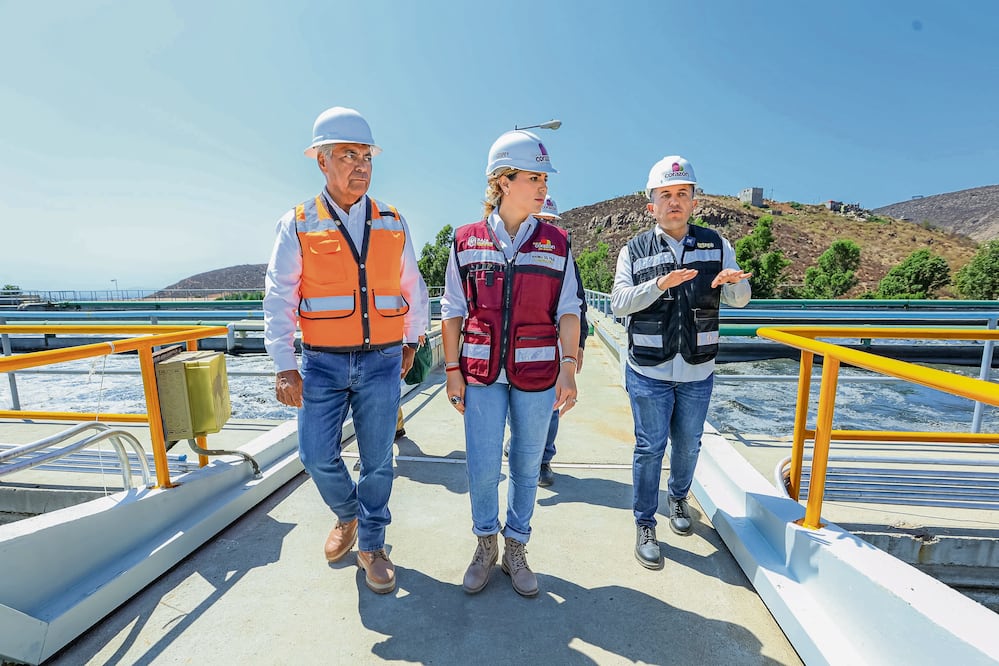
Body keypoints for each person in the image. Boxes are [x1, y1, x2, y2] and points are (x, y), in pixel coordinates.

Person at [264, 106, 429, 594]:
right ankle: (349, 514)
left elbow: (411, 286)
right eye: (347, 155)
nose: (359, 165)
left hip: (381, 360)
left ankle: (372, 544)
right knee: (316, 455)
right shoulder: (297, 223)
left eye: (365, 156)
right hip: (321, 362)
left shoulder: (393, 221)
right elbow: (279, 295)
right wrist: (284, 365)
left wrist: (412, 341)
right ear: (321, 161)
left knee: (378, 459)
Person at [441, 130, 581, 597]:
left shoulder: (557, 244)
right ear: (502, 181)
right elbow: (452, 310)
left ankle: (516, 547)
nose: (543, 186)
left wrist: (568, 368)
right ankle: (485, 544)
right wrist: (452, 370)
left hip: (538, 374)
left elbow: (568, 310)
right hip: (480, 373)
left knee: (525, 464)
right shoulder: (465, 241)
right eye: (533, 177)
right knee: (482, 465)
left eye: (544, 178)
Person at [610, 156, 752, 570]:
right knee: (649, 447)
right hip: (649, 371)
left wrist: (735, 283)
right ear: (650, 203)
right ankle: (644, 522)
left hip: (697, 371)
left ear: (694, 202)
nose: (674, 202)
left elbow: (741, 301)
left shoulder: (716, 244)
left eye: (682, 194)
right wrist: (658, 285)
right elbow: (618, 304)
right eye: (666, 195)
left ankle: (678, 500)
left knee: (688, 445)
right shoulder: (633, 250)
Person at [503, 195, 588, 488]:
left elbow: (577, 305)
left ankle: (543, 460)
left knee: (550, 406)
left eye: (551, 221)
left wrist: (578, 346)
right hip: (516, 345)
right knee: (516, 402)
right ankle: (520, 442)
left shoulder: (562, 253)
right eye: (542, 220)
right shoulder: (512, 253)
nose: (546, 225)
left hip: (551, 347)